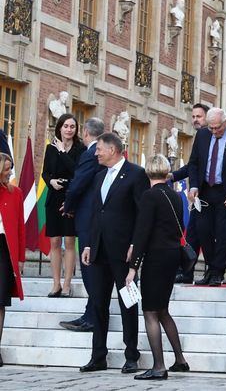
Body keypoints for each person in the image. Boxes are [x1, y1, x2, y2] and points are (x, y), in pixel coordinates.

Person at [79, 132, 149, 374]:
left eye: (99, 149)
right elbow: (96, 213)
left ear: (112, 149)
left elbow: (142, 215)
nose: (95, 153)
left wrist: (135, 246)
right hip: (98, 252)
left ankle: (132, 355)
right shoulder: (99, 176)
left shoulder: (136, 174)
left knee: (128, 303)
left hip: (124, 254)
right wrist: (88, 244)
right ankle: (98, 355)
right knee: (98, 303)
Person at [125, 155, 189, 380]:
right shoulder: (175, 196)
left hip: (156, 257)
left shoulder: (150, 196)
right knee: (163, 310)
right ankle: (180, 360)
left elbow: (142, 233)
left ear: (148, 172)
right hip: (172, 255)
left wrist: (133, 268)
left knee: (150, 311)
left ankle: (159, 366)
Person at [187, 107, 226, 286]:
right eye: (211, 128)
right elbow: (193, 164)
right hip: (204, 191)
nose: (214, 131)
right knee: (203, 231)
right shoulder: (202, 136)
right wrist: (193, 186)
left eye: (217, 128)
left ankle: (217, 272)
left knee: (224, 234)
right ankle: (210, 268)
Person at [59, 118, 106, 333]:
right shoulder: (101, 152)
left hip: (89, 219)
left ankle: (93, 317)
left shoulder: (91, 153)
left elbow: (79, 182)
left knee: (89, 269)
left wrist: (68, 204)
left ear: (86, 132)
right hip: (95, 217)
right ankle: (90, 313)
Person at [42, 113, 86, 298]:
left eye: (72, 127)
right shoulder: (50, 148)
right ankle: (56, 284)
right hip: (54, 196)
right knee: (54, 241)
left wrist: (62, 151)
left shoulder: (80, 149)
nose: (69, 129)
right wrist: (50, 181)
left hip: (71, 197)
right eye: (66, 126)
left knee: (69, 241)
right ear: (59, 127)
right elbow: (45, 172)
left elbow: (77, 171)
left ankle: (67, 284)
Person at [170, 103, 208, 284]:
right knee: (192, 234)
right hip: (198, 196)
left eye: (199, 116)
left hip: (207, 195)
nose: (195, 120)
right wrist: (173, 176)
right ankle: (187, 272)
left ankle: (199, 272)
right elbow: (193, 165)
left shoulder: (207, 134)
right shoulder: (200, 136)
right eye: (193, 117)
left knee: (201, 235)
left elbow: (197, 166)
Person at [0, 152, 24, 368]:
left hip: (4, 252)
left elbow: (19, 227)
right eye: (7, 169)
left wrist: (21, 257)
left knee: (0, 302)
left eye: (11, 168)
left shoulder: (16, 193)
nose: (10, 173)